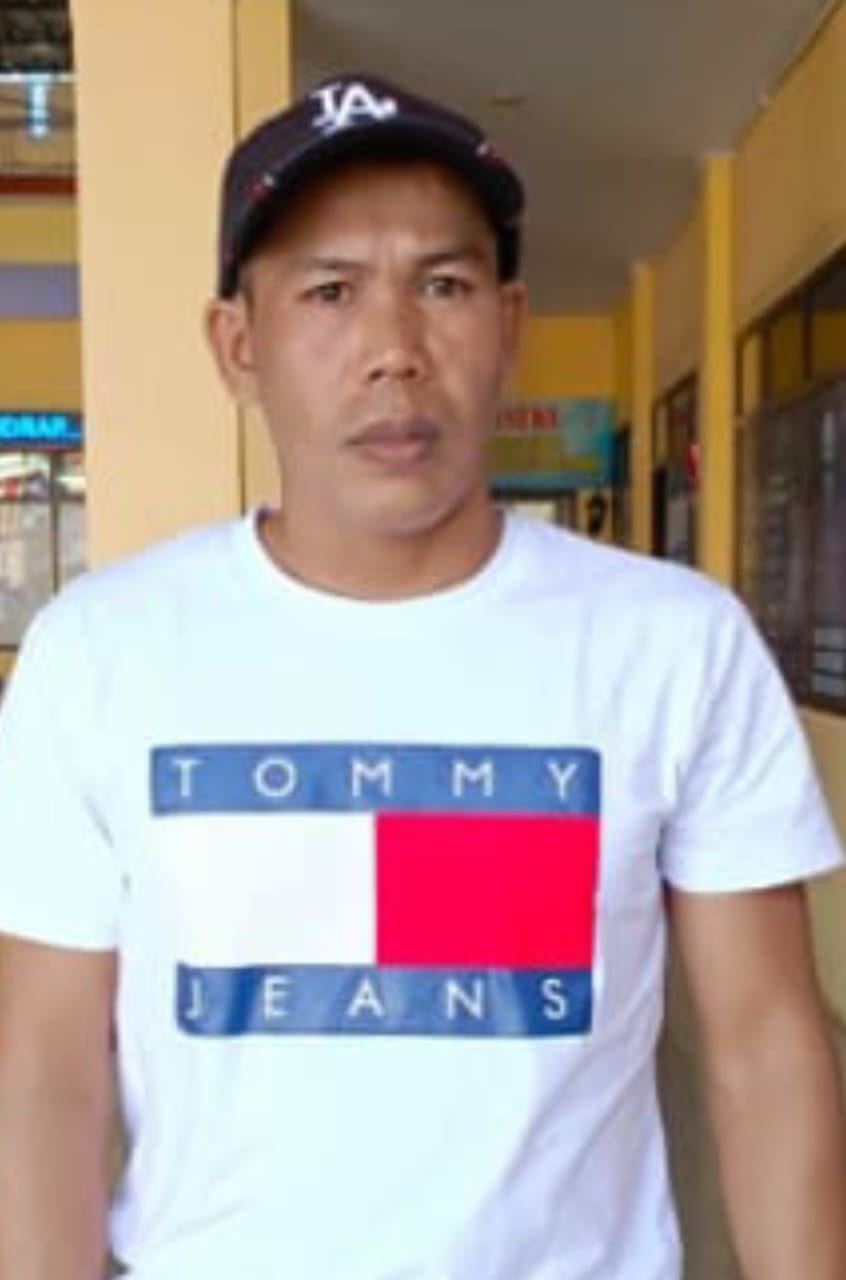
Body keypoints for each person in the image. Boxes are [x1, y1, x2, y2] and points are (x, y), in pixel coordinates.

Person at [0, 71, 844, 1280]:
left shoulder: (675, 645)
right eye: (330, 291)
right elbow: (42, 1071)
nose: (394, 351)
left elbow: (766, 1047)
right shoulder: (100, 652)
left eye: (442, 285)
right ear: (238, 344)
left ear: (509, 324)